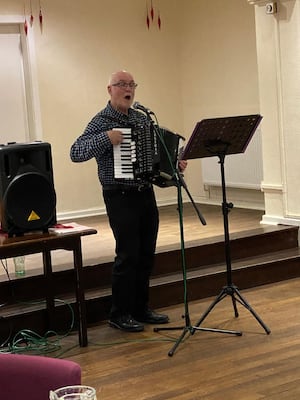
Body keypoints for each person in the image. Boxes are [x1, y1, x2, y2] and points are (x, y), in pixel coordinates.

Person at [70, 70, 187, 332]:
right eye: (122, 84)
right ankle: (119, 313)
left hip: (145, 193)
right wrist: (105, 138)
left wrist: (174, 165)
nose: (128, 89)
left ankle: (140, 308)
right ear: (109, 89)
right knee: (127, 254)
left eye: (131, 84)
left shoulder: (142, 118)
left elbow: (154, 160)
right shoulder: (101, 120)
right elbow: (75, 152)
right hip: (119, 195)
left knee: (146, 254)